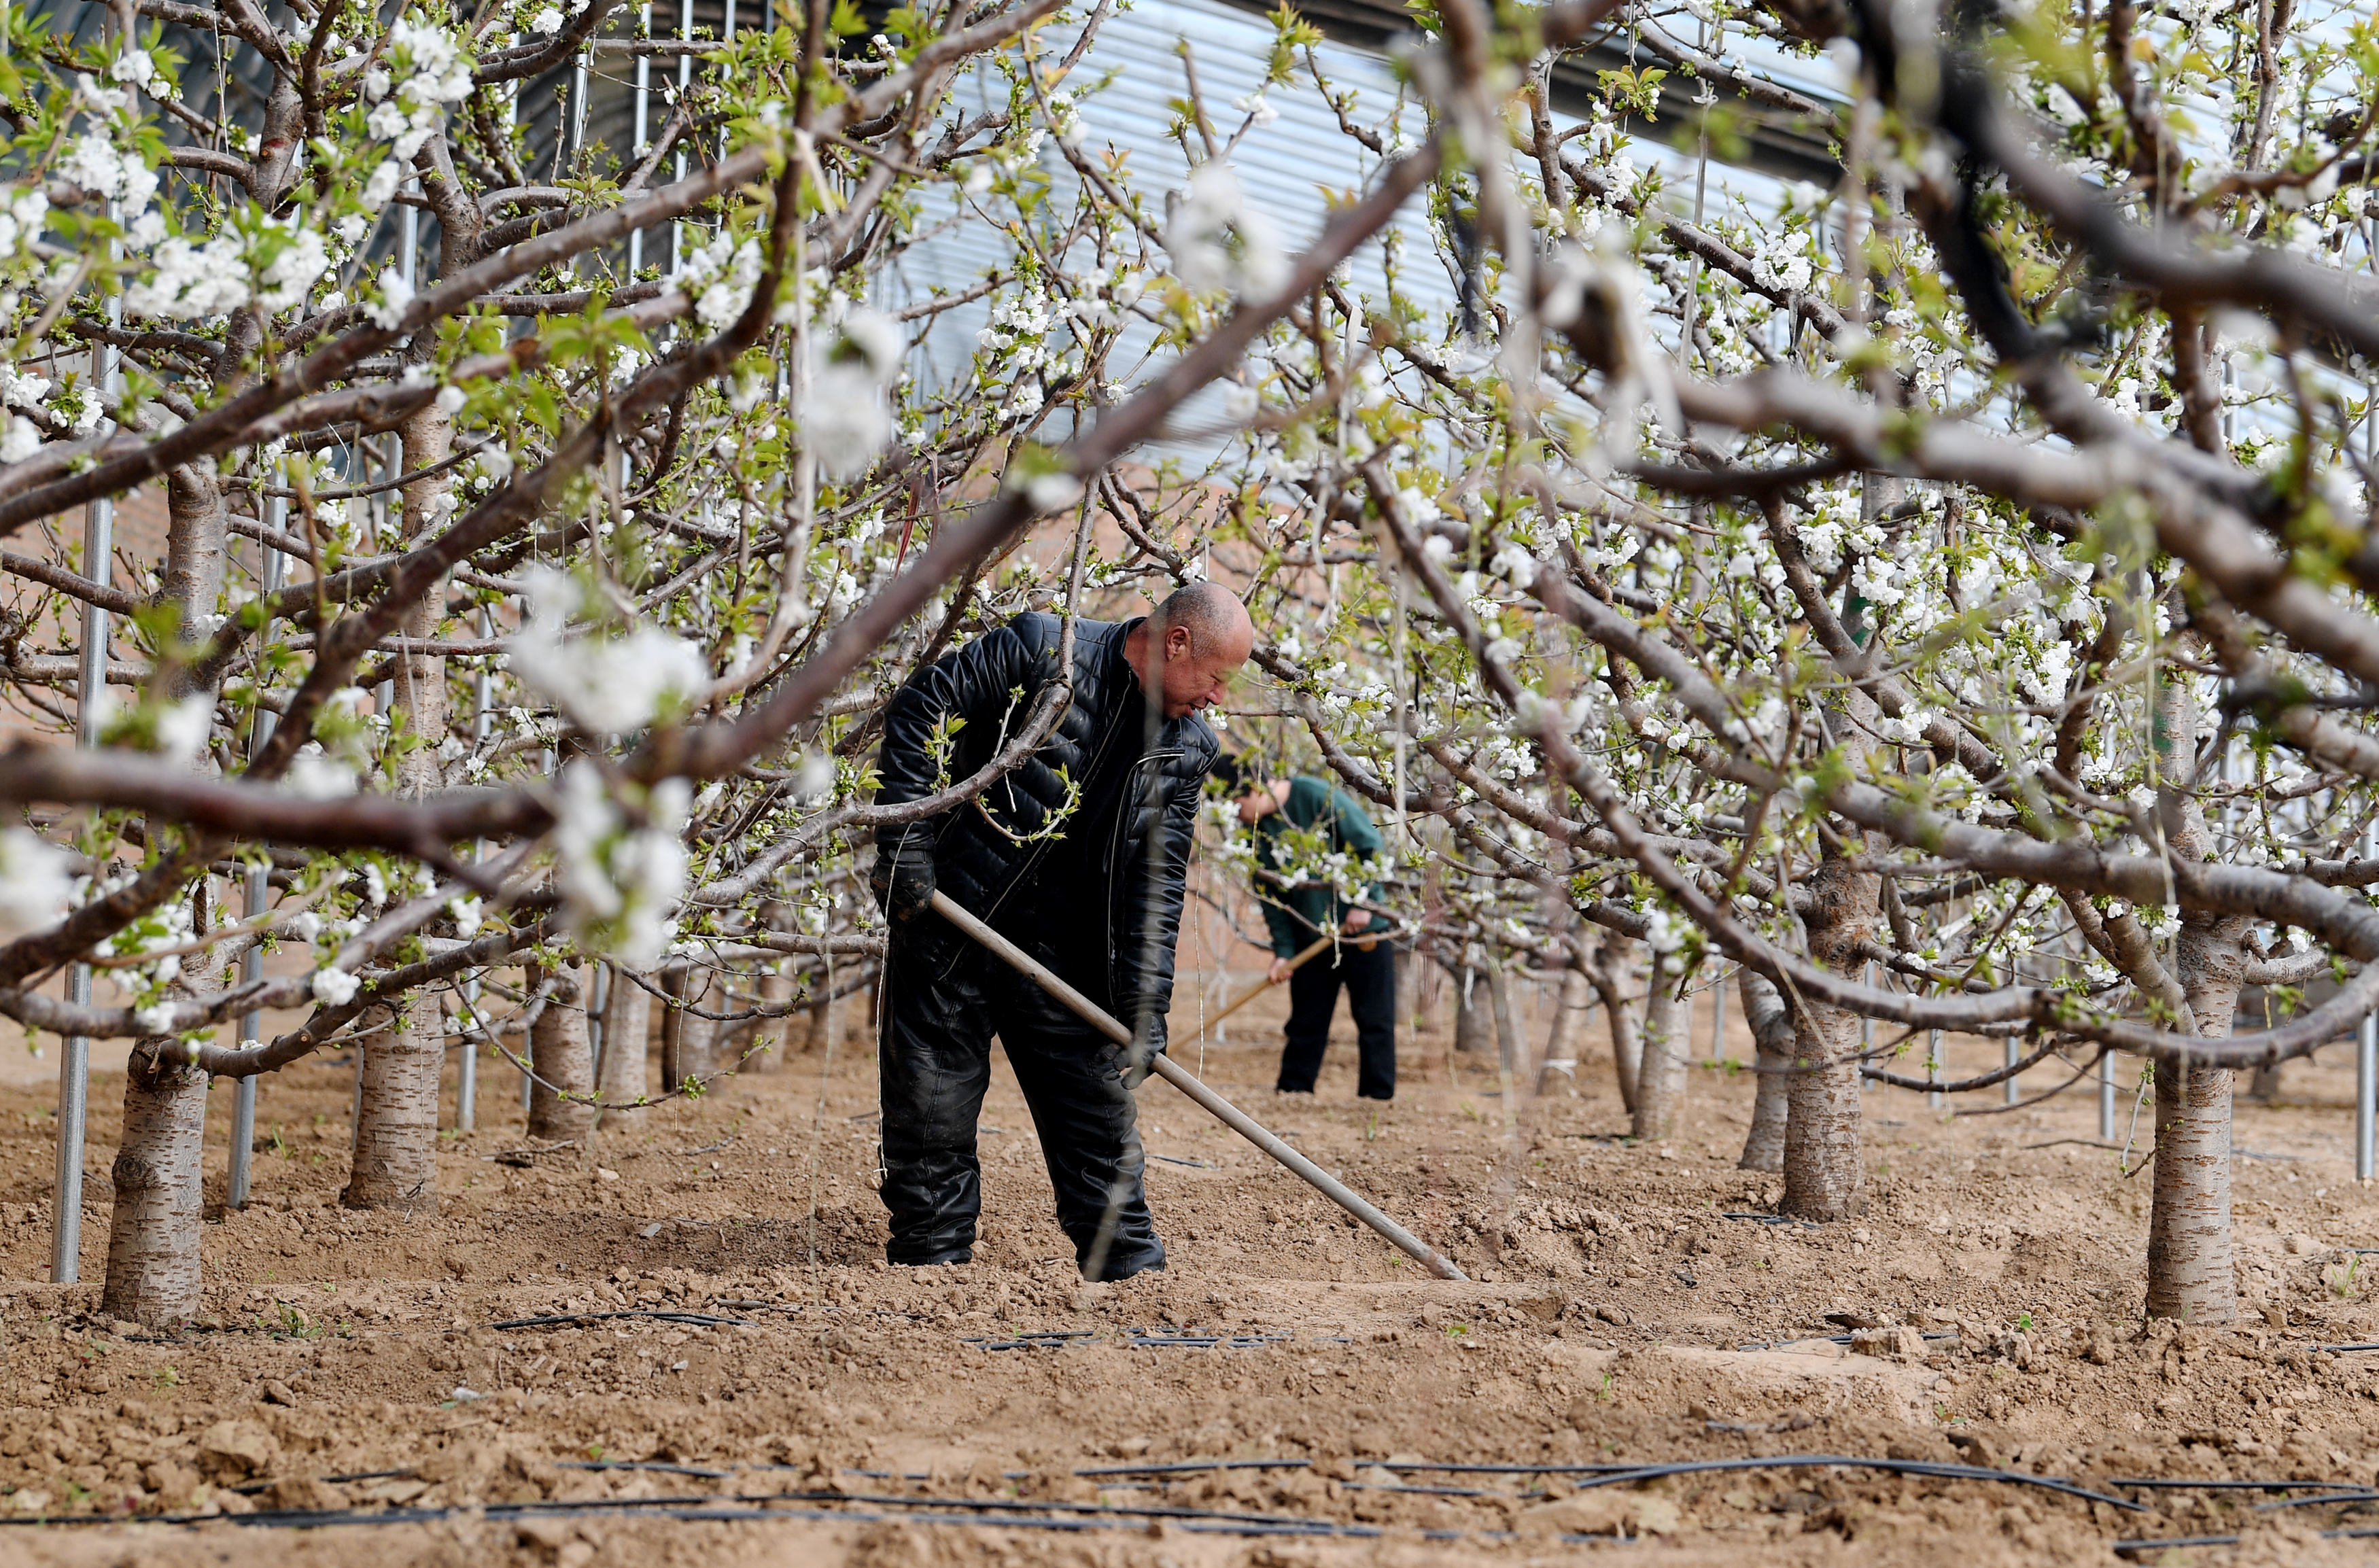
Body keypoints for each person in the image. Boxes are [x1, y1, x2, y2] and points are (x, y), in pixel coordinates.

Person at [869, 582, 1253, 1279]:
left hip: (1069, 962)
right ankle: (929, 1276)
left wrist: (1142, 1004)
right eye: (1217, 678)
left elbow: (1156, 883)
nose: (1217, 699)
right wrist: (905, 845)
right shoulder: (1043, 652)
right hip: (952, 930)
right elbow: (925, 705)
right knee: (930, 1117)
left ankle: (1131, 1279)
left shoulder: (1186, 749)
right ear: (1176, 644)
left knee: (1098, 1132)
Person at [1225, 762, 1397, 1101]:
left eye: (1237, 806)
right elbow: (1272, 901)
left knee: (1374, 1019)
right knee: (1306, 1021)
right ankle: (1294, 1093)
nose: (1235, 816)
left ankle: (1377, 1098)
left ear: (1254, 790)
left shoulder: (1317, 795)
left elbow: (1369, 845)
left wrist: (1363, 901)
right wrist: (1284, 953)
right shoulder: (1255, 833)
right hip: (1311, 938)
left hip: (1363, 931)